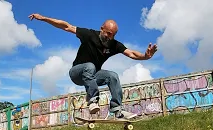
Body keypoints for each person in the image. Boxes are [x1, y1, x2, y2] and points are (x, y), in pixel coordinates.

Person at [29, 13, 158, 120]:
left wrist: (145, 56)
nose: (108, 37)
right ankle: (92, 100)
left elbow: (131, 53)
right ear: (102, 28)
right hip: (76, 73)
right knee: (90, 66)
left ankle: (117, 110)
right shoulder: (89, 34)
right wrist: (44, 18)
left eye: (112, 35)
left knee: (112, 76)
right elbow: (67, 26)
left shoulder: (113, 45)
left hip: (92, 76)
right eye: (107, 33)